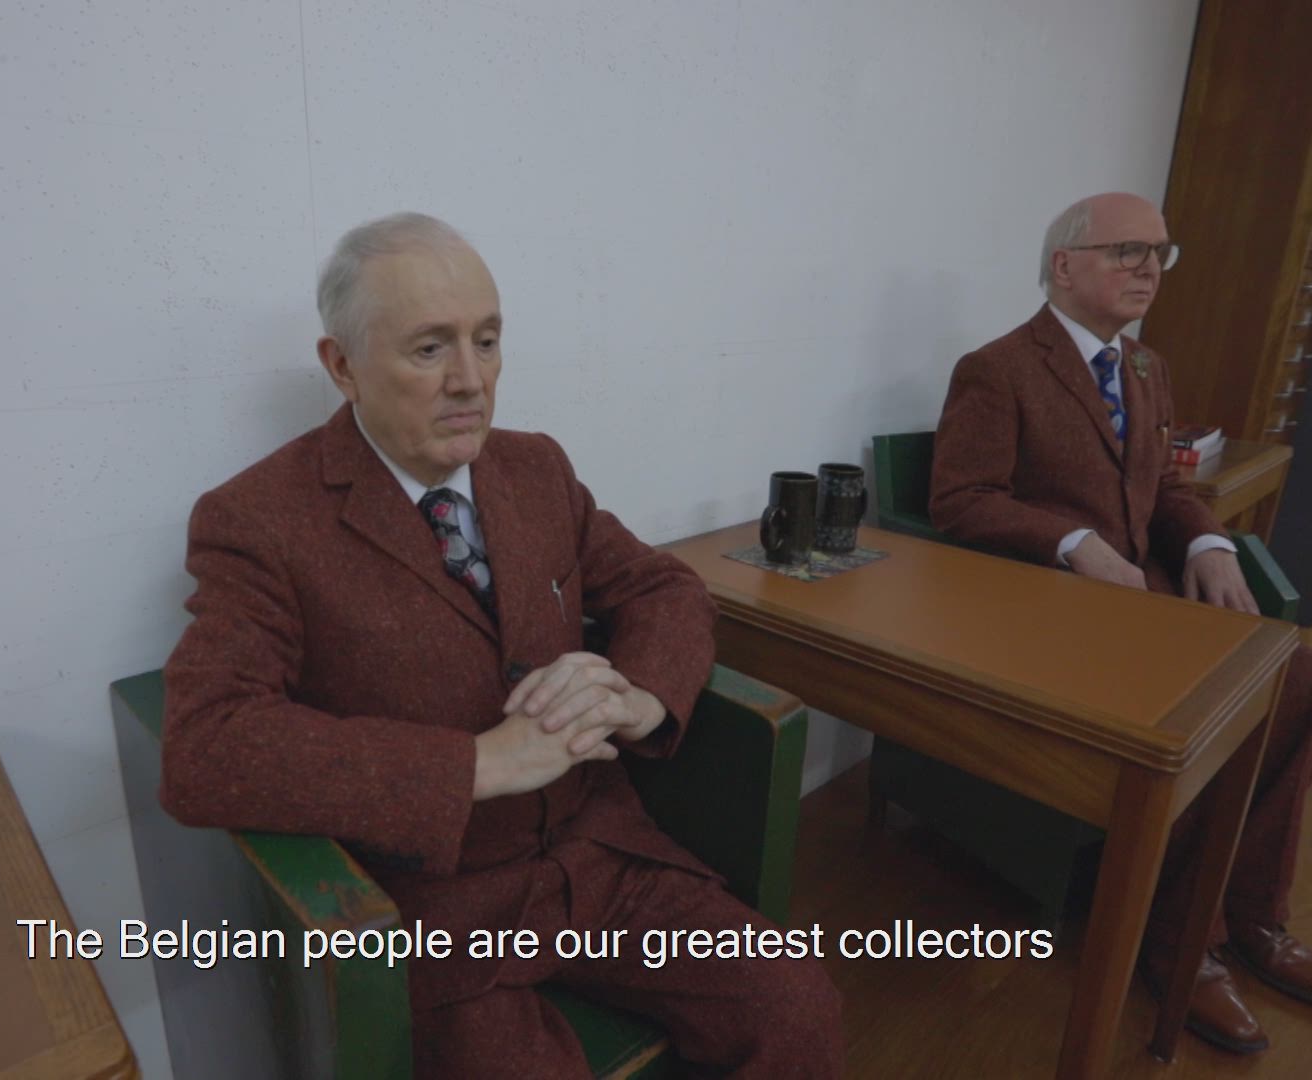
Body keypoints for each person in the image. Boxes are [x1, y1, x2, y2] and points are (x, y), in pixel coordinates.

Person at [160, 212, 842, 1077]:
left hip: (600, 855)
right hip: (440, 907)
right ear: (342, 365)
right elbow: (206, 744)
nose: (471, 380)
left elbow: (662, 587)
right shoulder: (259, 519)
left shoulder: (535, 469)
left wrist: (640, 696)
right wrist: (478, 763)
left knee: (794, 1004)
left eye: (487, 341)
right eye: (429, 349)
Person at [929, 192, 1312, 1055]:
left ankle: (1253, 916)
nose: (1149, 268)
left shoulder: (1145, 367)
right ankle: (1180, 942)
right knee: (1215, 705)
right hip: (1054, 620)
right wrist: (1075, 543)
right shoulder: (998, 368)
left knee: (1301, 682)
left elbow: (1161, 485)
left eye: (1160, 253)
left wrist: (1208, 542)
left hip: (1152, 606)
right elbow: (960, 500)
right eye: (1127, 250)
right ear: (1063, 265)